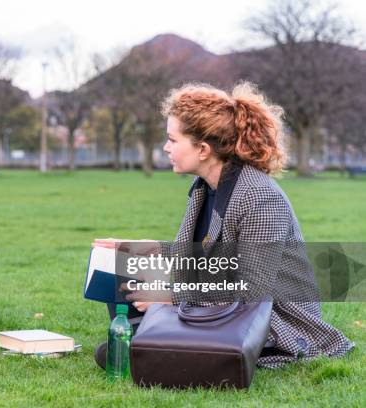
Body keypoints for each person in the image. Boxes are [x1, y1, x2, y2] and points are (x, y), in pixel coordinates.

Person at [94, 82, 354, 369]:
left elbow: (250, 291)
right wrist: (145, 248)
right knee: (126, 264)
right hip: (224, 307)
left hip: (273, 321)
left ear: (203, 149)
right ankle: (150, 337)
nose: (166, 147)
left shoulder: (259, 198)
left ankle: (156, 342)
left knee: (124, 349)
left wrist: (171, 297)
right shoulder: (205, 187)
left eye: (173, 139)